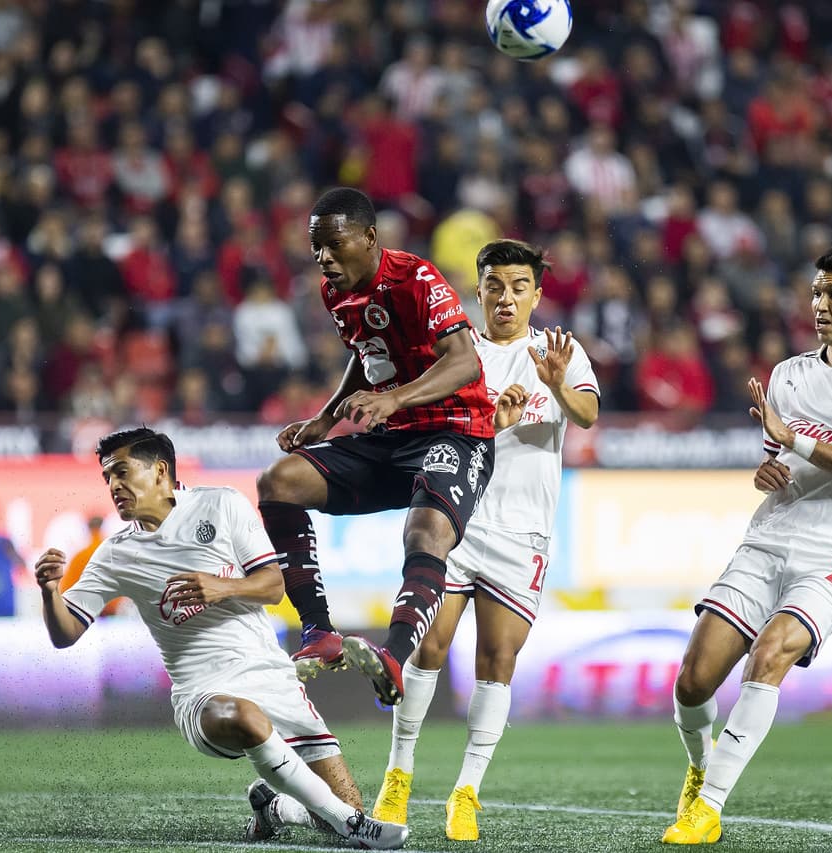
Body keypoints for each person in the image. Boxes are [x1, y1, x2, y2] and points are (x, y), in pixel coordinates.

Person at [662, 245, 832, 845]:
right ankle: (700, 767)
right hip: (770, 539)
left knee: (772, 653)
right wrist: (770, 467)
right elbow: (778, 461)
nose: (820, 304)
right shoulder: (788, 376)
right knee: (692, 682)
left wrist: (794, 442)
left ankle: (708, 808)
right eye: (815, 292)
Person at [34, 427, 408, 849]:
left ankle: (278, 808)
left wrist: (222, 587)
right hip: (203, 694)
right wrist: (50, 592)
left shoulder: (221, 504)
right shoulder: (115, 554)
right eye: (107, 478)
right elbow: (66, 634)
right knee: (247, 720)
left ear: (159, 471)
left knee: (334, 813)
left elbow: (273, 585)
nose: (114, 486)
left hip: (271, 676)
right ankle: (354, 824)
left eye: (121, 472)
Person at [370, 239, 601, 841]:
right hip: (457, 520)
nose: (506, 297)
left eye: (519, 286)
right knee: (430, 648)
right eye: (495, 285)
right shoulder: (455, 354)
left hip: (522, 533)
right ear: (478, 290)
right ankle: (399, 774)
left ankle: (466, 790)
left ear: (537, 293)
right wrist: (488, 424)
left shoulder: (560, 351)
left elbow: (586, 416)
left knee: (497, 663)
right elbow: (432, 430)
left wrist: (554, 384)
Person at [255, 187, 495, 707]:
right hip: (391, 437)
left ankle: (394, 654)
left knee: (424, 528)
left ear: (369, 237)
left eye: (334, 244)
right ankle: (318, 633)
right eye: (316, 246)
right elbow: (368, 352)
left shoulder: (416, 278)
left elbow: (464, 362)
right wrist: (325, 417)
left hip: (455, 430)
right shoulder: (333, 291)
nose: (323, 258)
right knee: (279, 481)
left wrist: (397, 399)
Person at [59, 514, 128, 616]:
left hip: (83, 612)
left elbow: (65, 588)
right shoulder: (112, 553)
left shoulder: (79, 556)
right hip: (109, 612)